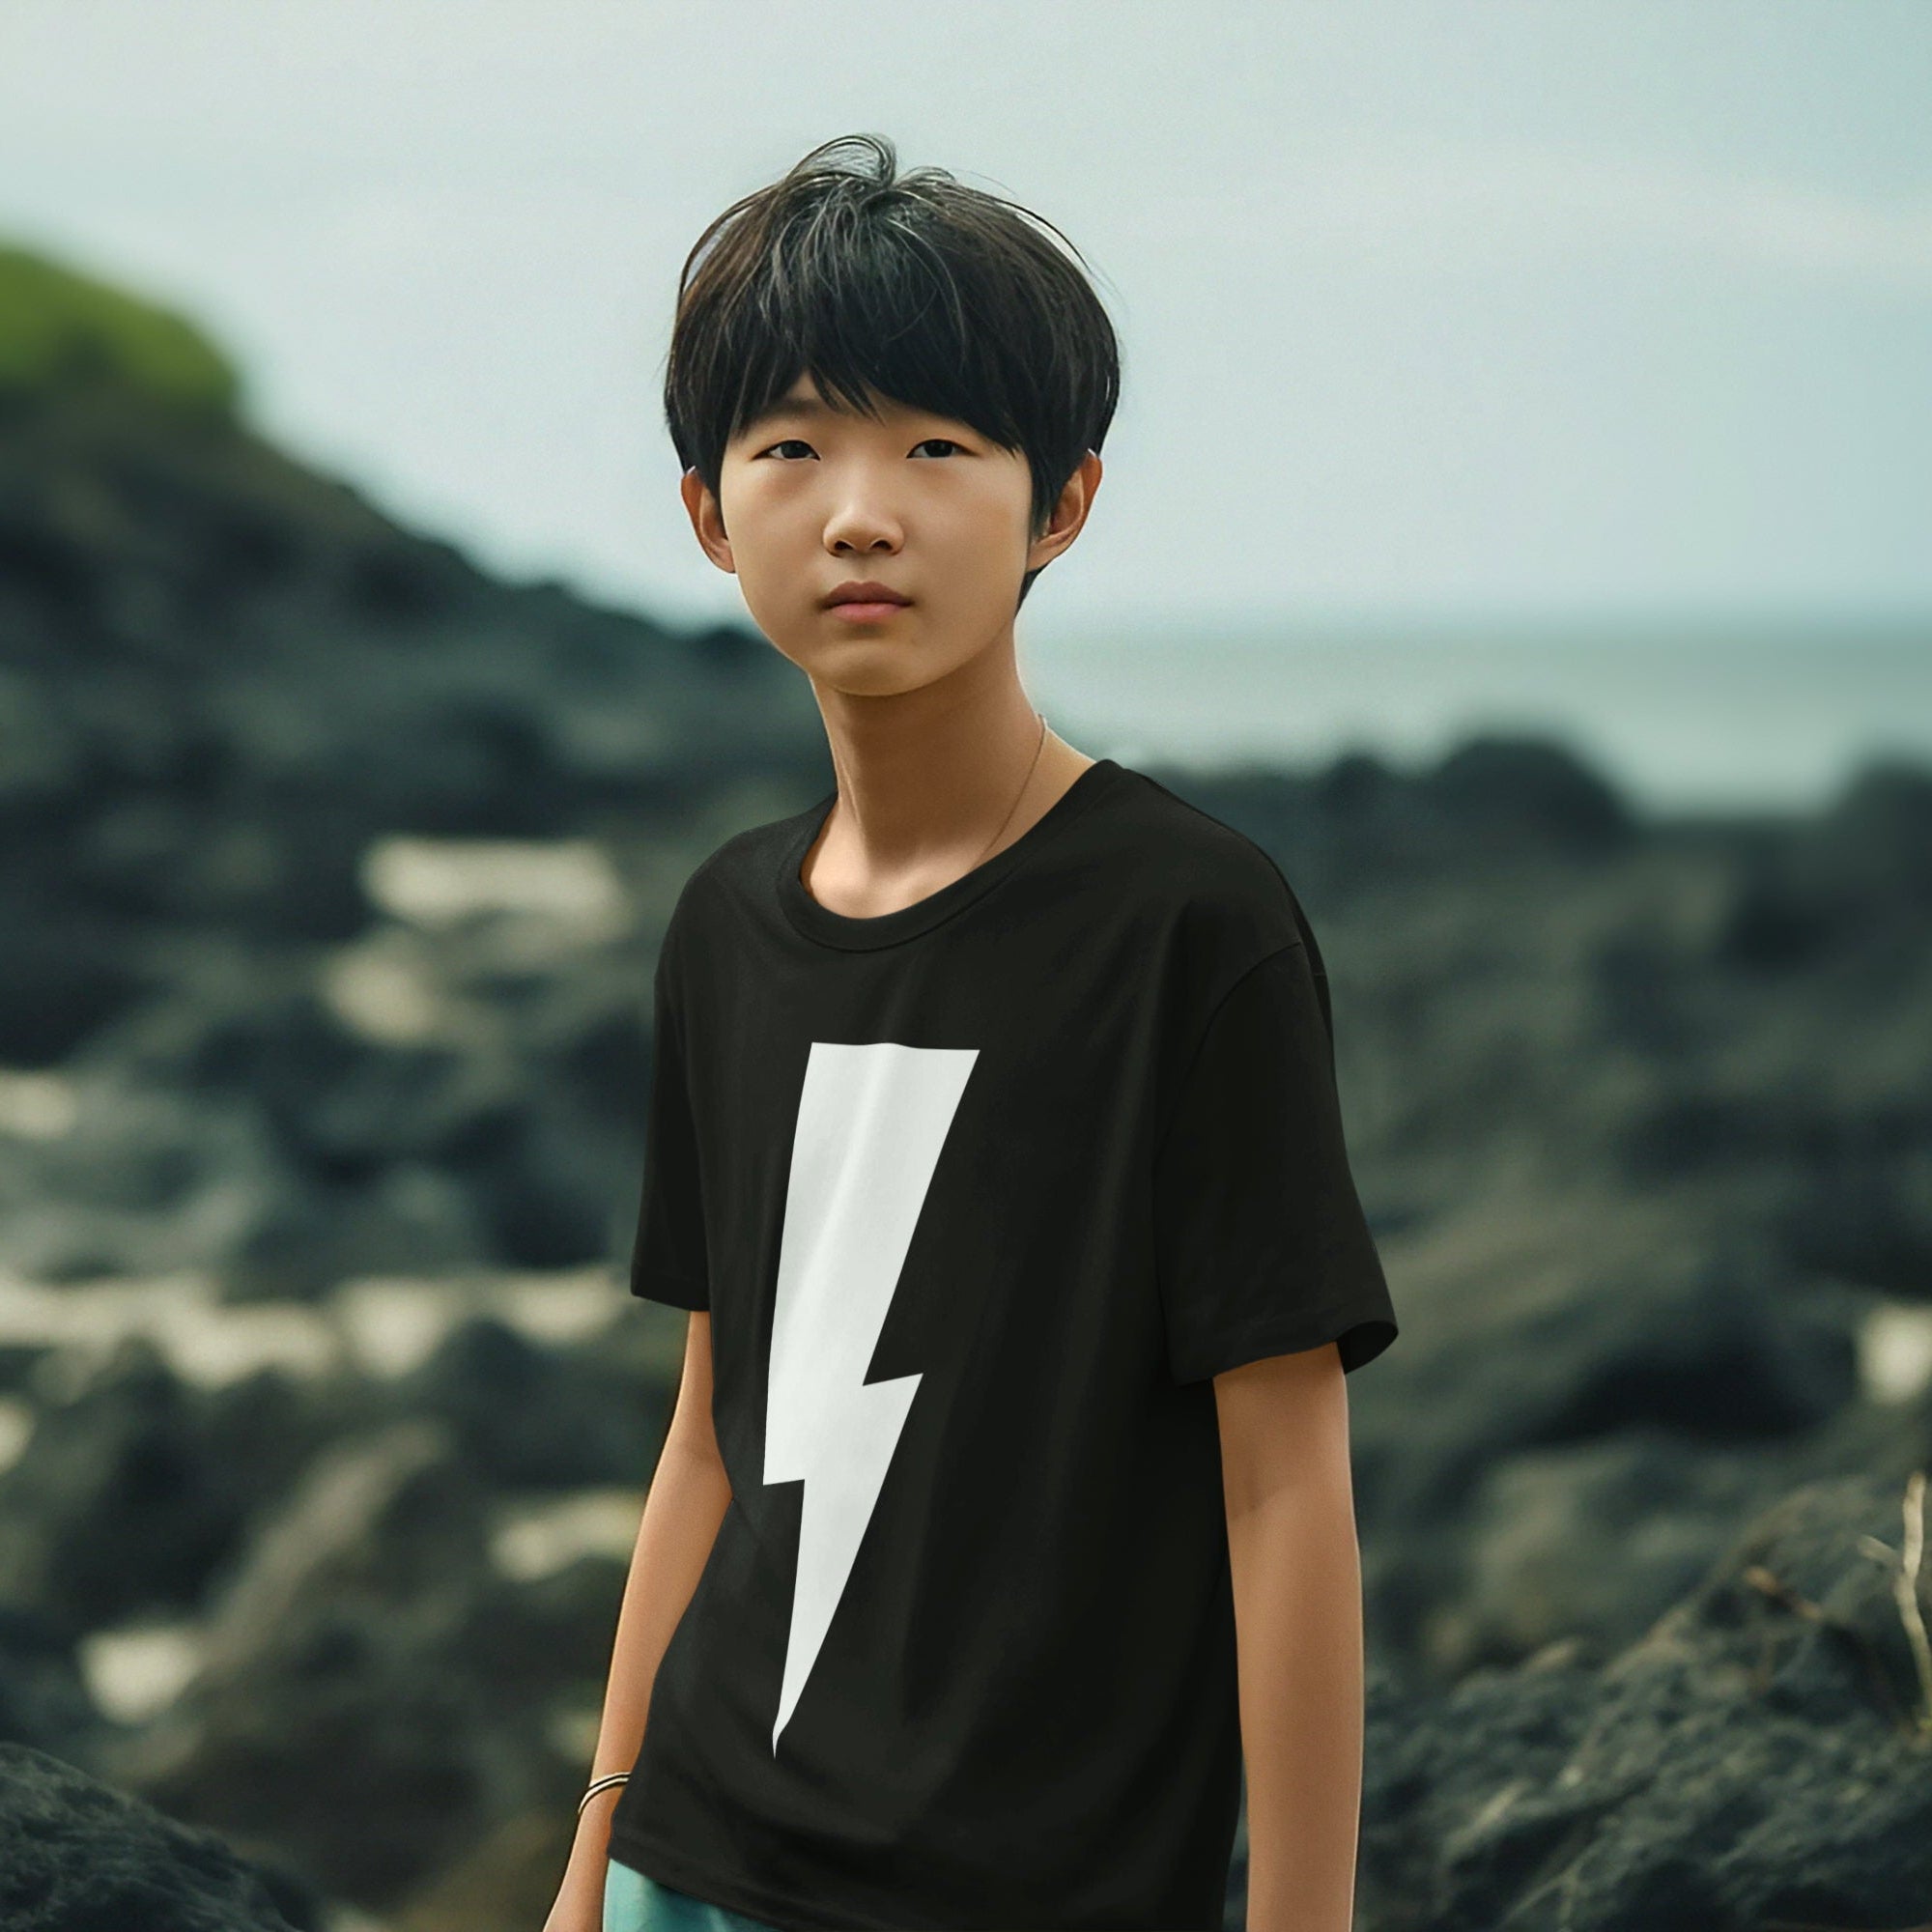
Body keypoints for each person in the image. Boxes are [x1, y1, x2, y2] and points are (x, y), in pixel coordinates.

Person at [544, 130, 1399, 1932]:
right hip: (691, 1871)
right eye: (793, 449)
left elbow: (1285, 1484)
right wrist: (591, 1852)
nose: (863, 510)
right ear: (710, 515)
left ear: (1061, 501)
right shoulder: (724, 925)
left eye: (938, 446)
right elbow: (714, 1429)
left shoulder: (1188, 922)